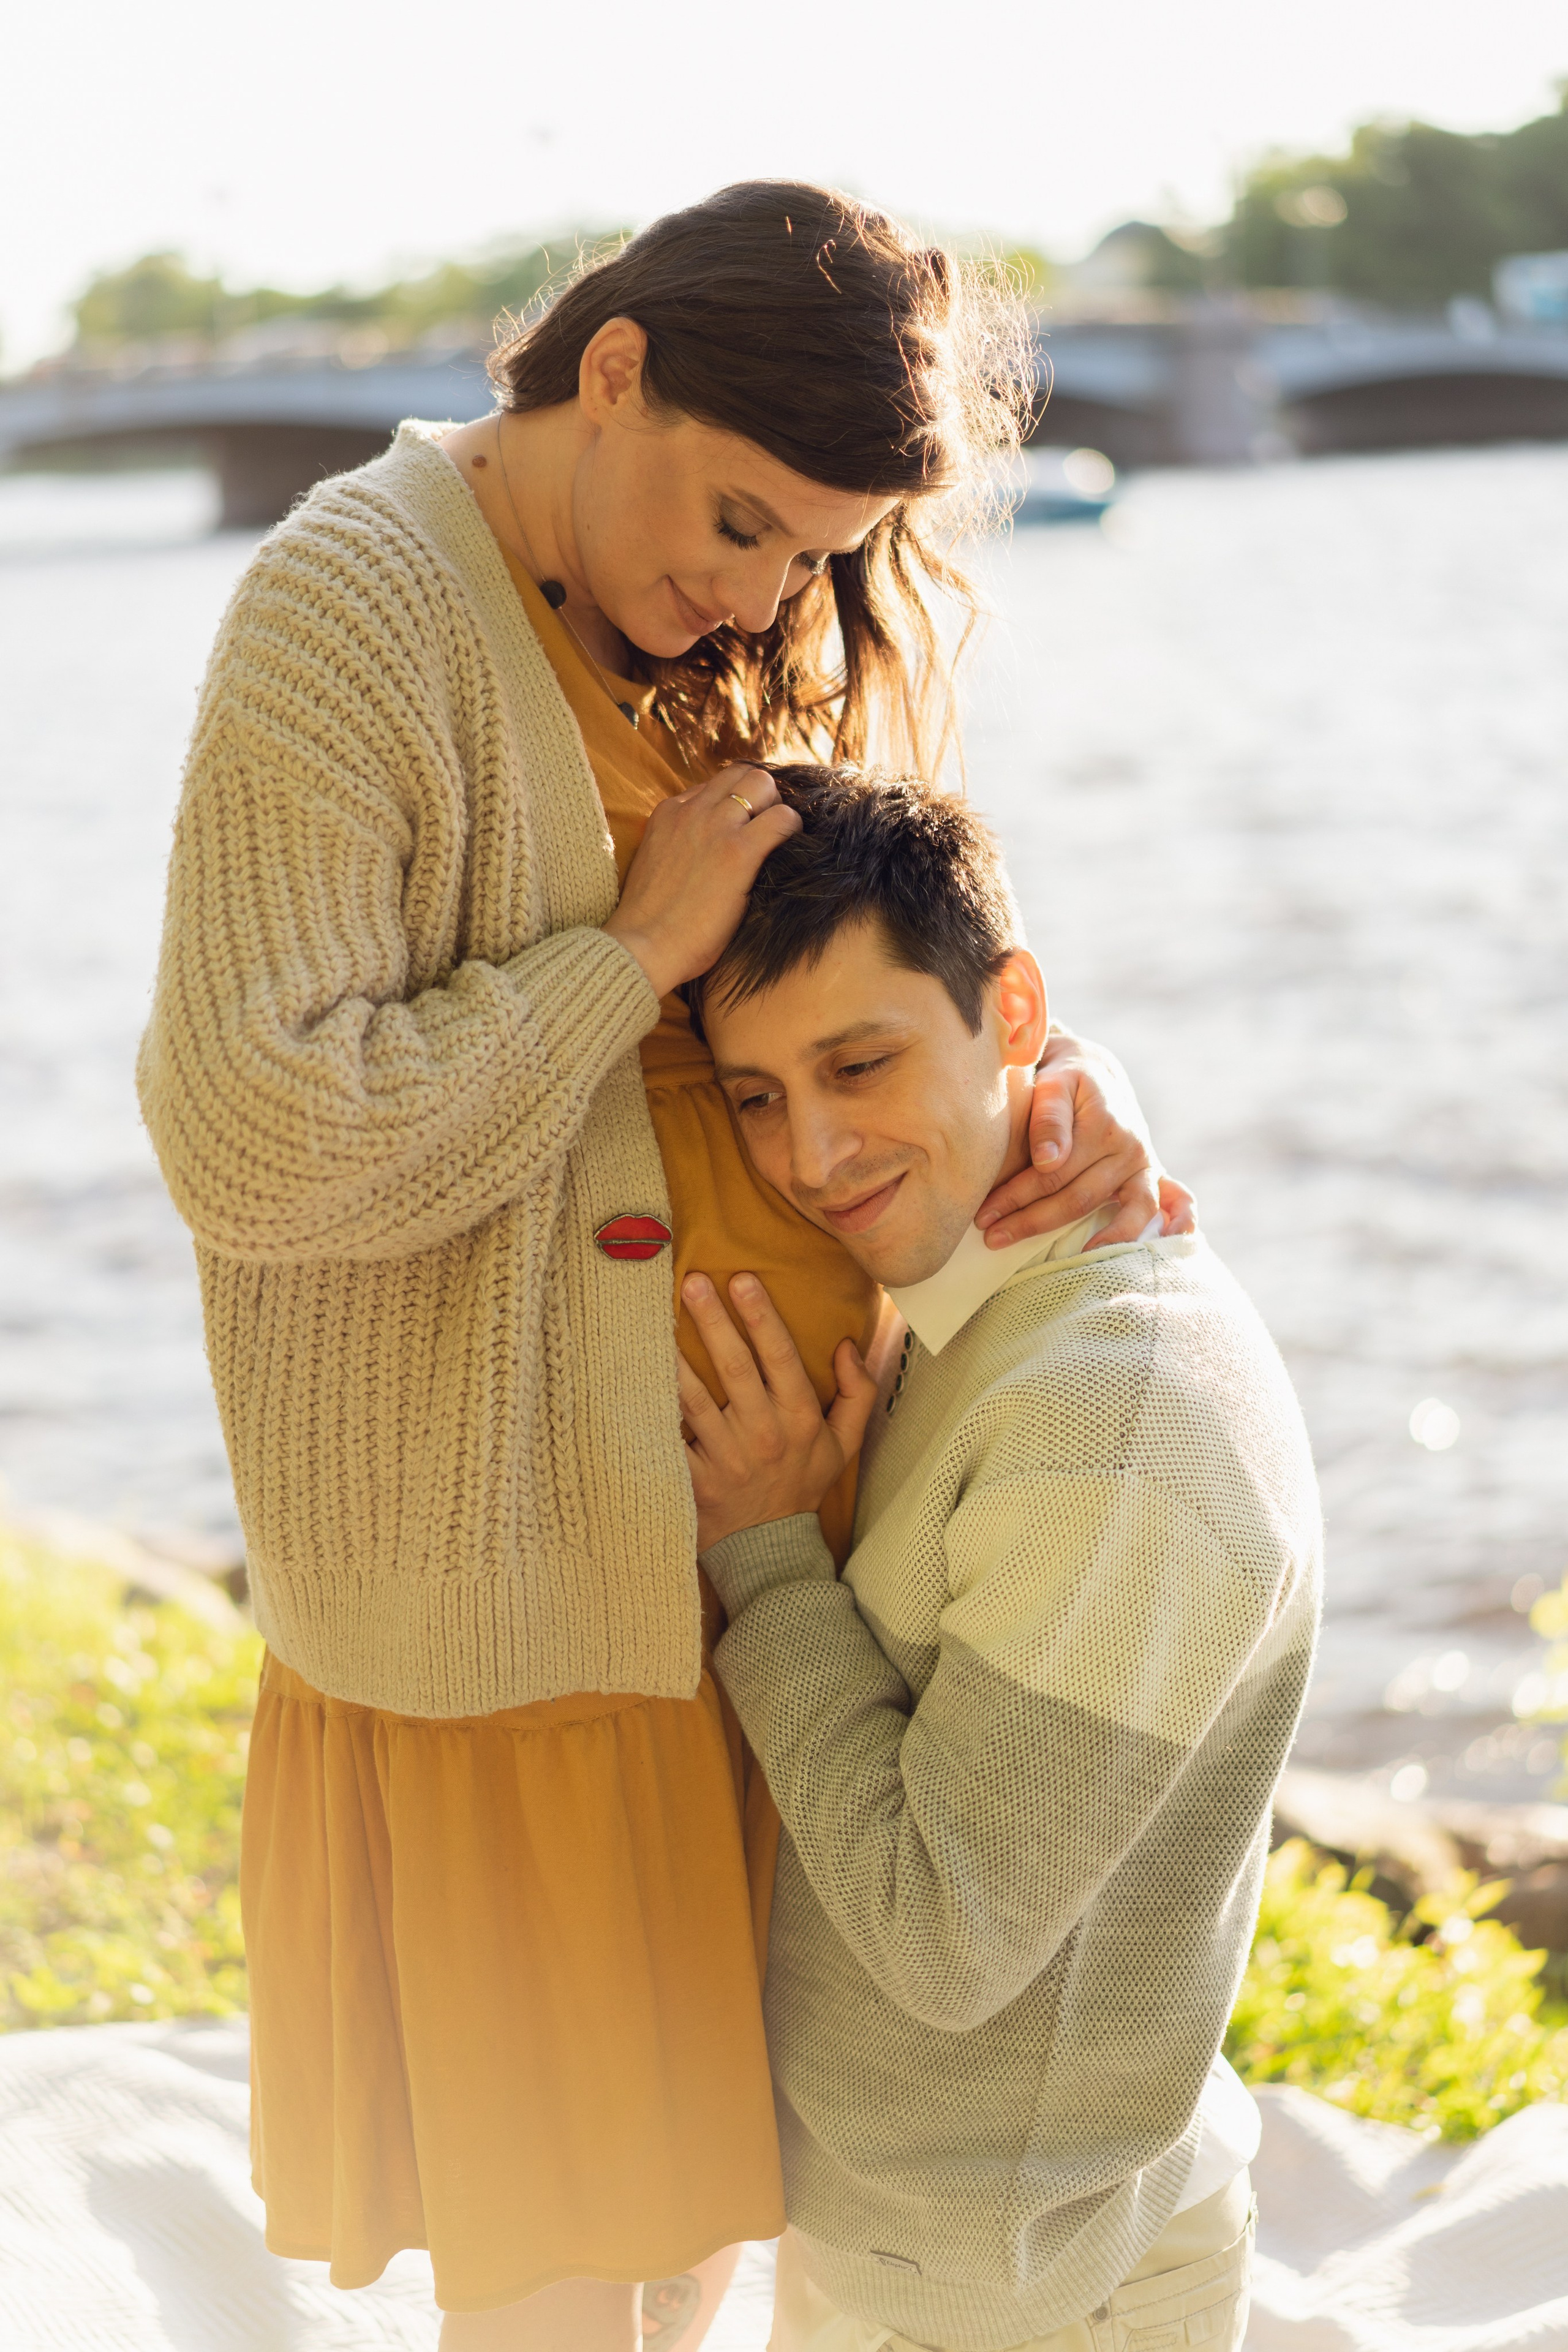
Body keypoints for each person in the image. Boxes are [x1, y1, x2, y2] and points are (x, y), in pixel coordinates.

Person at [137, 183, 1193, 2351]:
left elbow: (900, 943)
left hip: (773, 1558)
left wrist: (1061, 1079)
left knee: (714, 2202)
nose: (755, 592)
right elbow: (253, 1134)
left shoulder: (747, 628)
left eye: (805, 550)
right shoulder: (351, 610)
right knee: (545, 2280)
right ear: (607, 372)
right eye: (736, 521)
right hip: (513, 1589)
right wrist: (626, 963)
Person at [676, 767, 1322, 2352]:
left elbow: (942, 1933)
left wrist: (765, 1555)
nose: (812, 1155)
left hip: (1021, 2296)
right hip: (933, 2239)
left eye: (860, 1063)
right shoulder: (983, 1279)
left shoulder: (1115, 1431)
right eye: (756, 1095)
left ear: (1012, 1008)